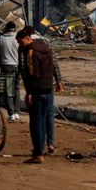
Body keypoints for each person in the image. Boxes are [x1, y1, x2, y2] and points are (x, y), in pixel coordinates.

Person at [17, 26, 63, 164]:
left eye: (21, 42)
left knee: (36, 123)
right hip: (48, 88)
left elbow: (31, 73)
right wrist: (58, 80)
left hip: (37, 91)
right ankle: (50, 143)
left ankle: (38, 153)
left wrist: (29, 92)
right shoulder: (46, 47)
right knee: (47, 116)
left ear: (28, 38)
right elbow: (54, 64)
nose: (20, 46)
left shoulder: (31, 52)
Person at [0, 21, 20, 114]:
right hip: (16, 66)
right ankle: (17, 111)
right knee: (16, 88)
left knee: (8, 89)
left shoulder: (1, 38)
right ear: (14, 29)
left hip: (6, 66)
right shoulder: (17, 38)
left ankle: (11, 111)